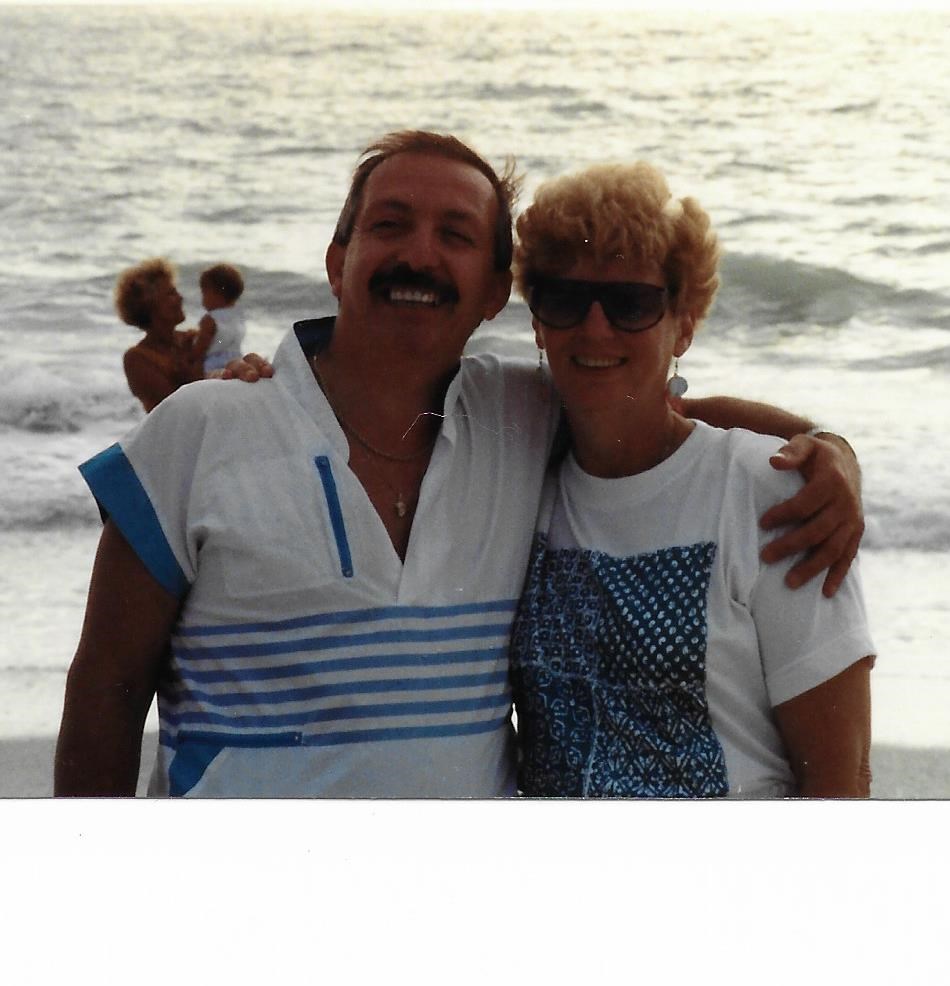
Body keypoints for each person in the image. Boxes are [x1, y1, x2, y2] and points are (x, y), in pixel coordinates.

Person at [56, 131, 864, 799]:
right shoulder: (201, 429)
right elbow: (105, 690)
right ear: (337, 261)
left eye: (456, 235)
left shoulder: (517, 418)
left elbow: (657, 416)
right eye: (391, 224)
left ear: (491, 291)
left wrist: (830, 449)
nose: (420, 253)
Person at [509, 162, 875, 797]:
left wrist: (830, 444)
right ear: (537, 320)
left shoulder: (773, 495)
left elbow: (842, 781)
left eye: (632, 304)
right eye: (566, 299)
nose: (595, 328)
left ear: (684, 323)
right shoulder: (513, 471)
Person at [115, 258, 207, 413]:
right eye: (171, 294)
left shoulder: (192, 339)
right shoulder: (137, 358)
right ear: (148, 304)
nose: (180, 298)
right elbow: (173, 408)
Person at [196, 263, 246, 376]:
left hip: (212, 366)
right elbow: (223, 340)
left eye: (204, 293)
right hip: (236, 361)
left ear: (216, 294)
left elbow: (200, 350)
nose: (203, 298)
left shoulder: (210, 319)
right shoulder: (238, 317)